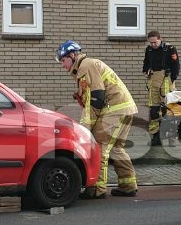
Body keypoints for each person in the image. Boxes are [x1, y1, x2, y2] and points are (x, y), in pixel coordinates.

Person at [56, 40, 138, 198]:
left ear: (73, 56)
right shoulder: (85, 68)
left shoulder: (85, 66)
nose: (62, 65)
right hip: (125, 108)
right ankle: (128, 185)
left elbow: (96, 99)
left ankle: (96, 189)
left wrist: (86, 127)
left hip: (114, 110)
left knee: (99, 147)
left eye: (63, 60)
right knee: (116, 149)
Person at [141, 30, 179, 146]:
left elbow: (176, 65)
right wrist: (145, 70)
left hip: (166, 80)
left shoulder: (169, 48)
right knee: (154, 109)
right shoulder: (149, 49)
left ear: (160, 39)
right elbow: (146, 63)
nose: (153, 45)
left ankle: (171, 136)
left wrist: (173, 79)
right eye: (151, 42)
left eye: (155, 42)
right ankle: (155, 136)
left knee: (168, 108)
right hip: (154, 79)